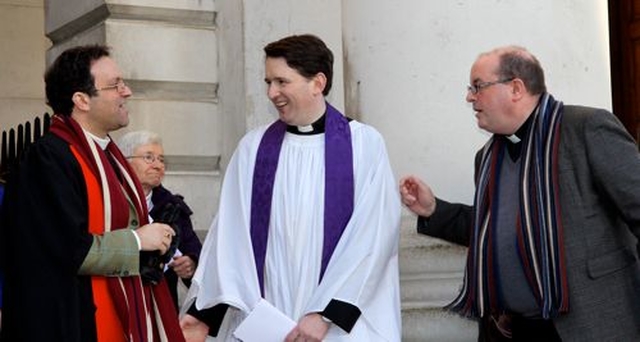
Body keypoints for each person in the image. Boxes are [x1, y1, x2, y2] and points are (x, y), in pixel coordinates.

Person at [399, 45, 640, 341]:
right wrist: (434, 210)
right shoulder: (487, 157)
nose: (470, 97)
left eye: (478, 87)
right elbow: (494, 229)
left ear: (515, 88)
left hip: (591, 325)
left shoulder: (586, 128)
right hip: (516, 330)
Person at [180, 34, 401, 341]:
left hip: (337, 326)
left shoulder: (364, 145)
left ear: (317, 82)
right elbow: (229, 234)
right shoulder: (253, 148)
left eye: (282, 81)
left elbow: (374, 236)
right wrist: (204, 316)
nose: (272, 92)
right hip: (270, 320)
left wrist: (325, 313)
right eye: (268, 82)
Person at [0, 45, 185, 341]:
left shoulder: (109, 158)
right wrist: (140, 239)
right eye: (116, 85)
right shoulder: (48, 158)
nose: (127, 92)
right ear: (82, 100)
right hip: (75, 319)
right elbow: (68, 248)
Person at [118, 130, 203, 310]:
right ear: (124, 162)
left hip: (161, 306)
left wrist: (191, 264)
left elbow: (195, 253)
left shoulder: (173, 207)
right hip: (118, 300)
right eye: (149, 158)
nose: (158, 166)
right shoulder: (108, 202)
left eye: (162, 160)